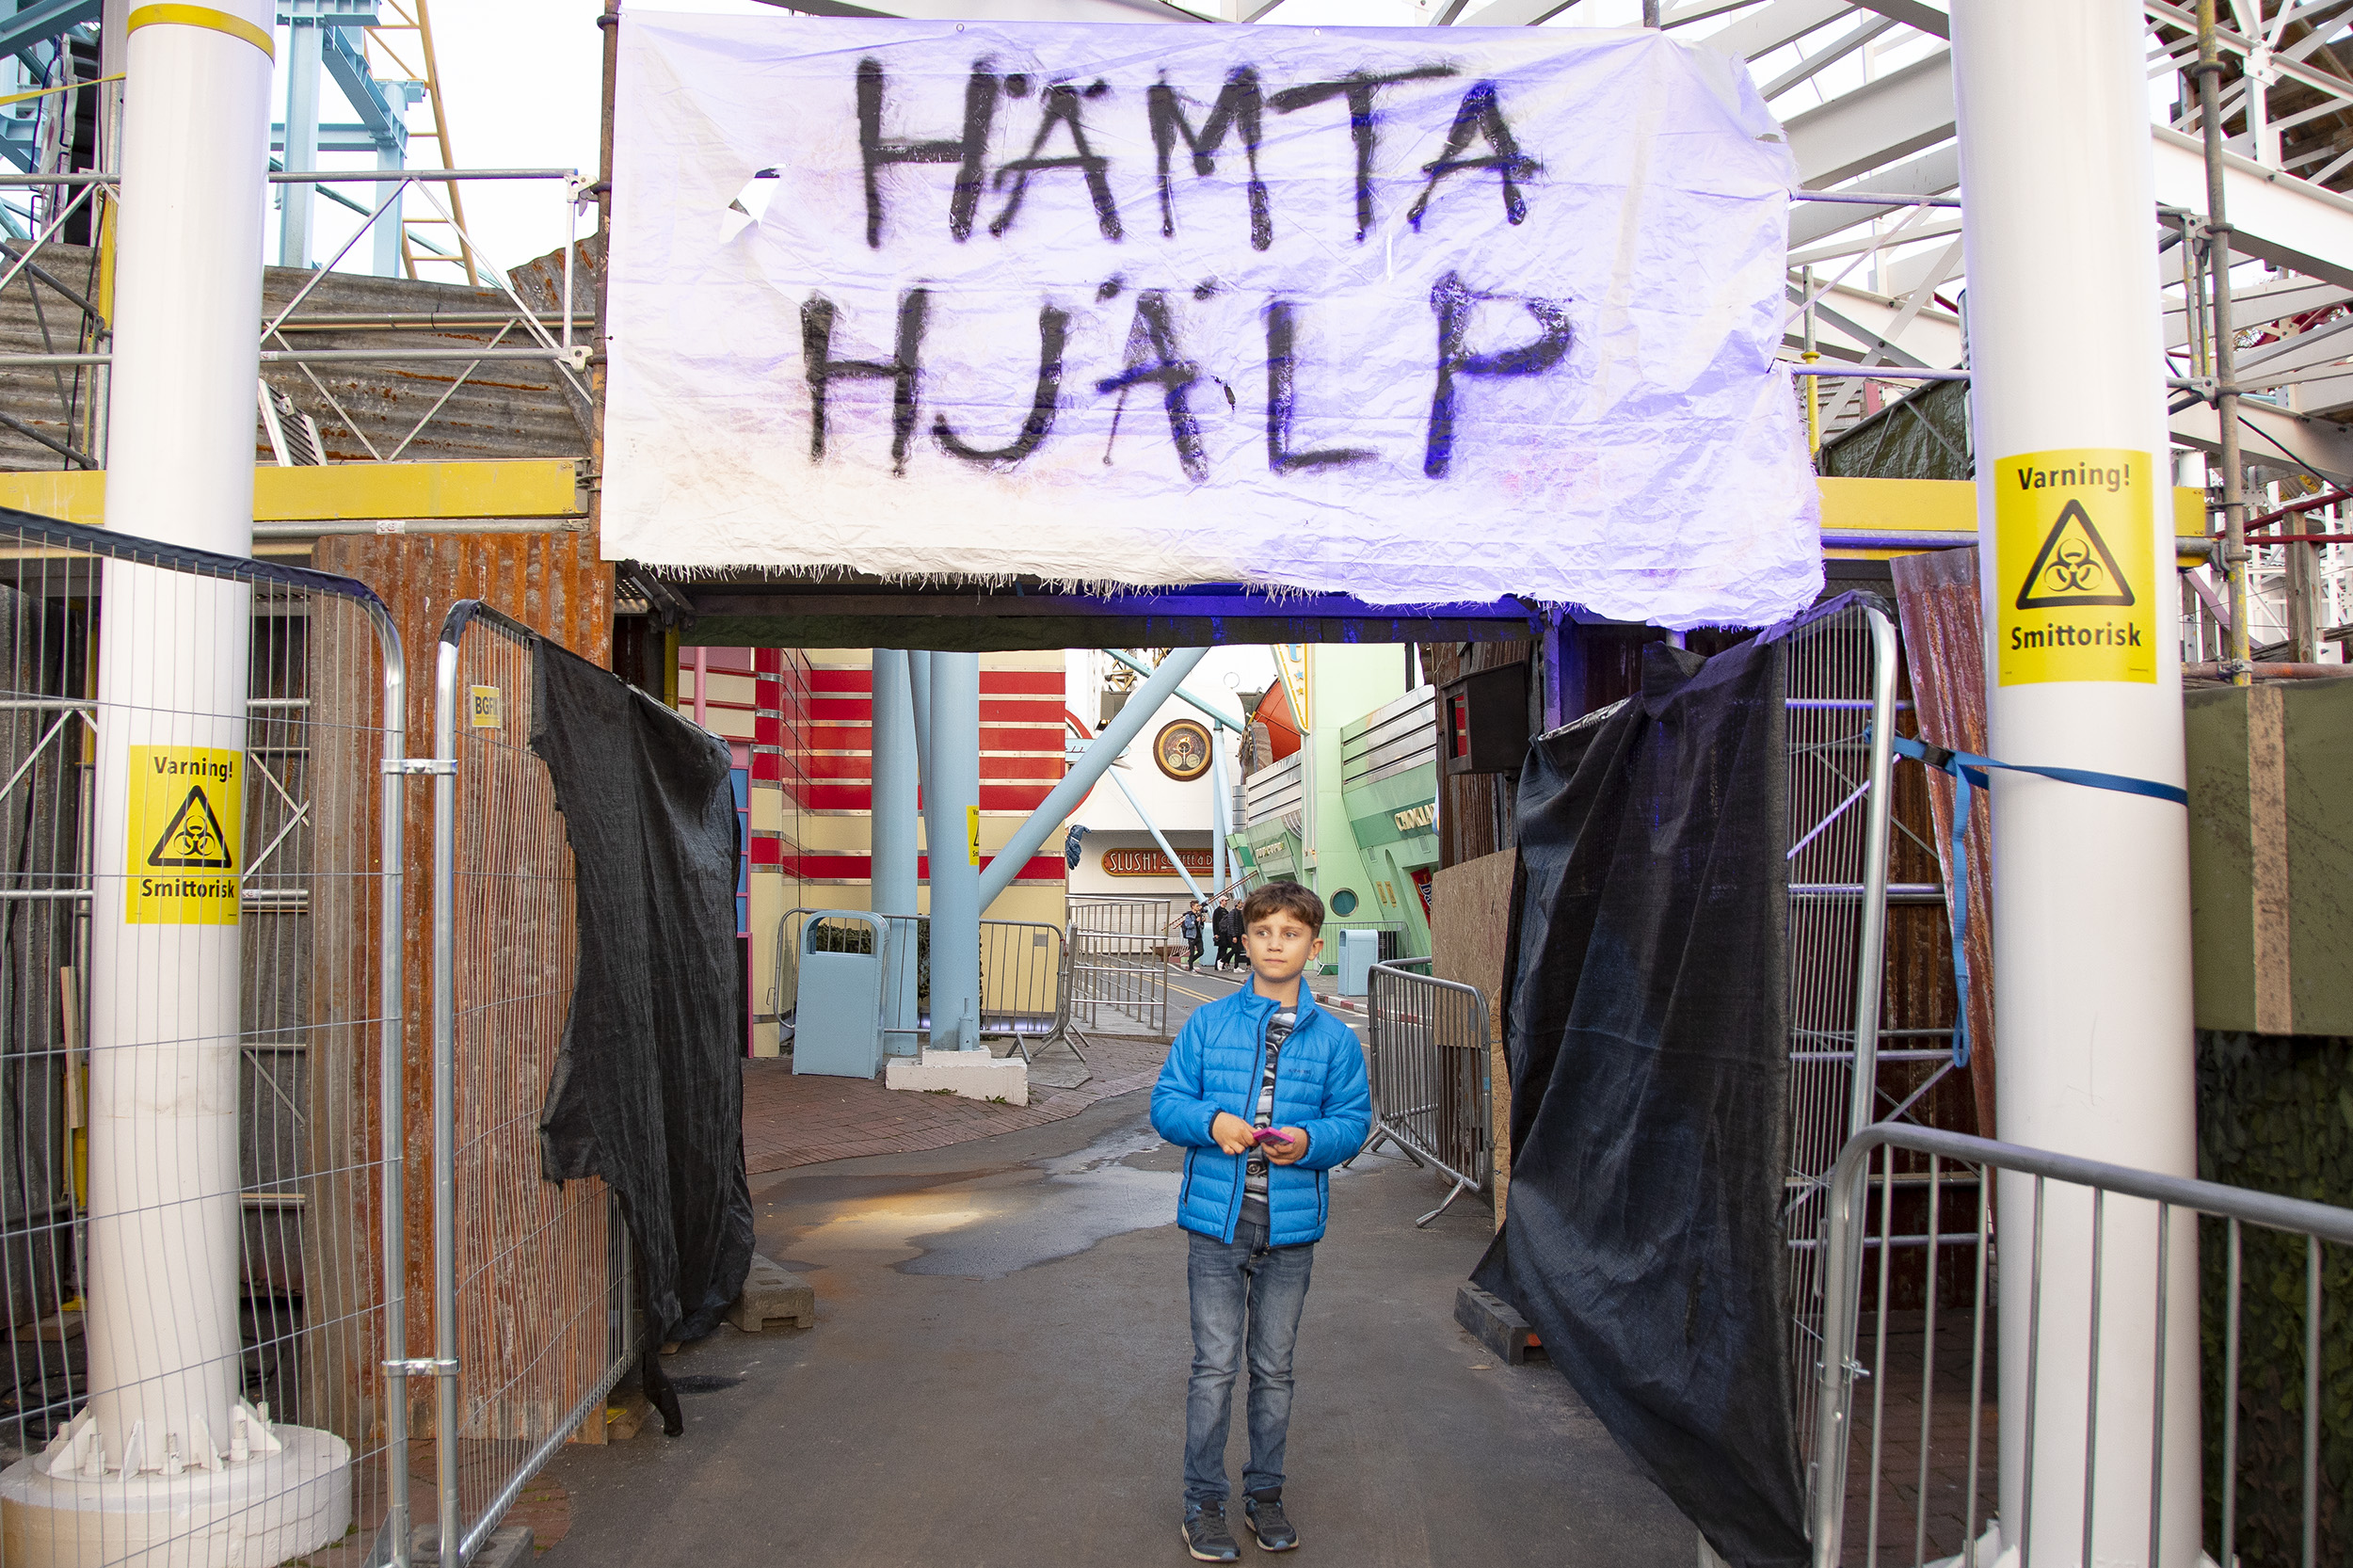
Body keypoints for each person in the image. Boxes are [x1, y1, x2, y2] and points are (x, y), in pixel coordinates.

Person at [1150, 884, 1371, 1561]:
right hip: (1217, 1227)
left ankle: (1265, 1496)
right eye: (1264, 931)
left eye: (1291, 933)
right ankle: (1203, 1504)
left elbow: (1353, 1123)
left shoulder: (1334, 1040)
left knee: (1274, 1369)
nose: (1277, 943)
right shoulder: (1207, 1024)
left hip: (1290, 1232)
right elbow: (1166, 1104)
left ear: (1313, 945)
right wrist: (1211, 1121)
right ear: (1244, 941)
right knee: (1214, 1367)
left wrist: (1309, 1143)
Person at [1210, 896, 1238, 970]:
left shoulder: (1225, 911)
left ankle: (1218, 965)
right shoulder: (1217, 911)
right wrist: (1216, 933)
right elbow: (1215, 923)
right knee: (1222, 949)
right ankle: (1220, 964)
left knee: (1222, 949)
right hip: (1220, 933)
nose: (1226, 902)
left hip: (1225, 932)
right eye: (1225, 901)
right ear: (1221, 901)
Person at [1179, 900, 1205, 971]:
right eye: (1197, 906)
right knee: (1192, 952)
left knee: (1201, 951)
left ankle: (1190, 961)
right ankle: (1191, 967)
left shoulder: (1198, 914)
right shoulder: (1189, 915)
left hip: (1198, 935)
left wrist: (1202, 922)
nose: (1198, 907)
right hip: (1191, 936)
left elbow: (1201, 926)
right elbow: (1188, 925)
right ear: (1192, 907)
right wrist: (1196, 921)